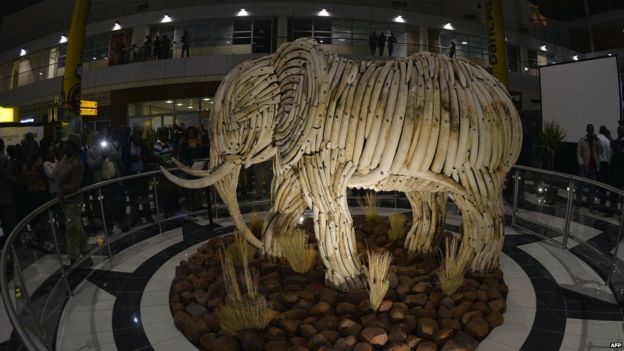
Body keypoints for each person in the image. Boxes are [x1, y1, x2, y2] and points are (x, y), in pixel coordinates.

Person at [55, 134, 87, 264]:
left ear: (73, 147)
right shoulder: (63, 158)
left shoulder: (77, 164)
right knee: (76, 227)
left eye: (67, 144)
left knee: (72, 229)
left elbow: (75, 186)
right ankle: (85, 250)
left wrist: (62, 190)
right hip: (65, 200)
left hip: (73, 201)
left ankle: (74, 257)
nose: (64, 146)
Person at [121, 131, 153, 228]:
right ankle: (134, 219)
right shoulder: (126, 148)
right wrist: (135, 158)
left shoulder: (143, 146)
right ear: (132, 139)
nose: (138, 141)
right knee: (133, 199)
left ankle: (149, 217)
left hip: (142, 176)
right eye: (136, 140)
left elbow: (149, 158)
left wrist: (144, 157)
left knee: (145, 198)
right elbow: (124, 160)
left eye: (139, 139)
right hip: (132, 177)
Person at [576, 124, 603, 209]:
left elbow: (601, 150)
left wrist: (597, 140)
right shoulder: (582, 140)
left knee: (592, 187)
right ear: (587, 130)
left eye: (592, 129)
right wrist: (581, 163)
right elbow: (578, 153)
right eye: (589, 129)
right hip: (585, 167)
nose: (591, 131)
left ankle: (590, 205)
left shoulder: (595, 140)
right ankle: (578, 203)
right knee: (580, 186)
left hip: (594, 167)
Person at [0, 139, 16, 243]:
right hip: (6, 196)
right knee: (8, 223)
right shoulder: (5, 160)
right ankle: (10, 246)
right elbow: (9, 177)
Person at [597, 125, 612, 210]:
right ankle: (602, 205)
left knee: (594, 185)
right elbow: (609, 154)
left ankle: (592, 204)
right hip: (604, 165)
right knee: (603, 186)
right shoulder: (607, 141)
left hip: (596, 164)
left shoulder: (596, 139)